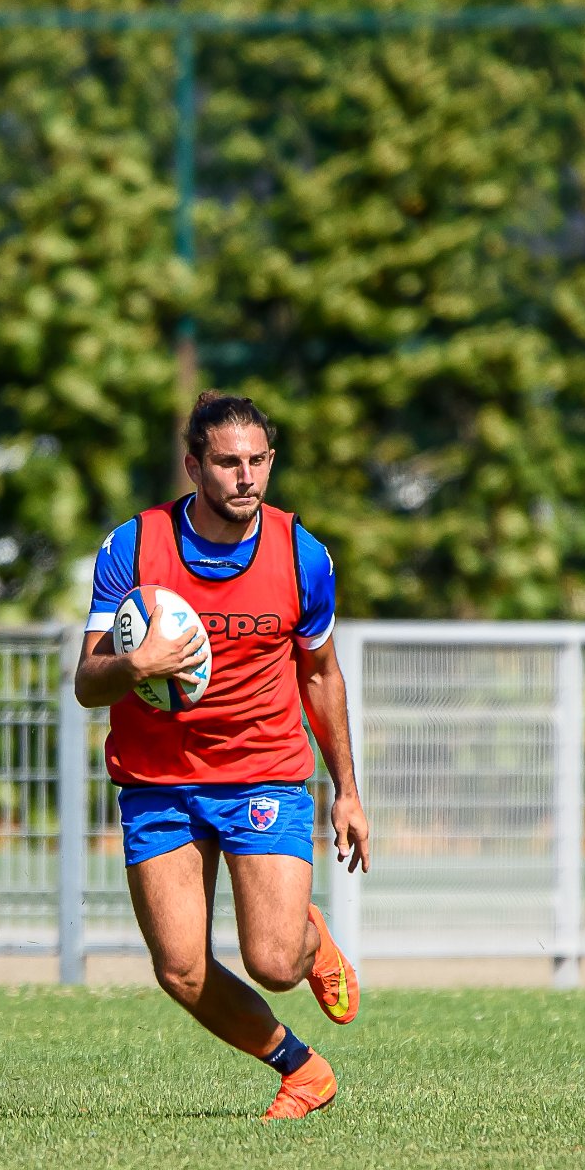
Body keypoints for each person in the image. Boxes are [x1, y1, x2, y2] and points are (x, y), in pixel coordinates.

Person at [75, 391, 370, 1120]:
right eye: (229, 462)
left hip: (261, 770)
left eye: (259, 461)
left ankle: (307, 937)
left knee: (274, 962)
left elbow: (321, 675)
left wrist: (348, 791)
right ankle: (302, 1072)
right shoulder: (134, 549)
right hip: (158, 783)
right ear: (193, 465)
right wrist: (135, 663)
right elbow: (87, 681)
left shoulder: (302, 554)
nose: (247, 477)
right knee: (179, 967)